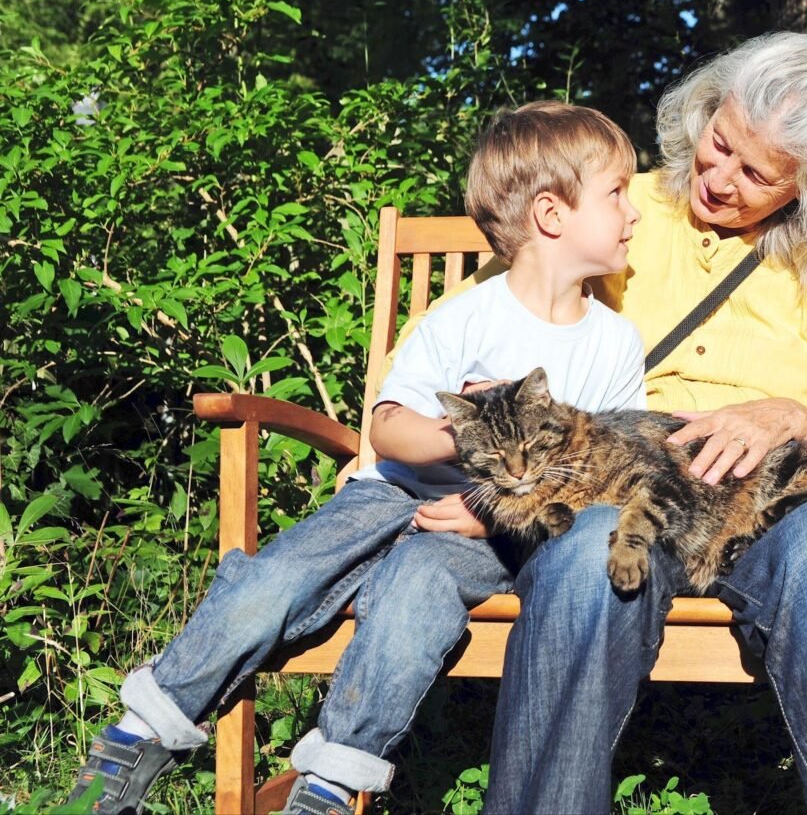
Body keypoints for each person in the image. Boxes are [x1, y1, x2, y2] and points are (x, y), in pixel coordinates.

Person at [391, 32, 807, 813]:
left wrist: (798, 419)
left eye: (755, 174)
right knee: (583, 555)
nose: (718, 176)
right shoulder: (617, 205)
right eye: (720, 142)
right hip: (621, 484)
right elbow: (468, 327)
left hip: (770, 503)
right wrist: (475, 471)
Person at [65, 101, 646, 815]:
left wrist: (490, 511)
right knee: (275, 580)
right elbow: (388, 430)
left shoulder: (613, 344)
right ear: (551, 214)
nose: (634, 213)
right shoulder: (464, 317)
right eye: (617, 194)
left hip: (486, 529)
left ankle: (331, 783)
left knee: (414, 594)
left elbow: (607, 477)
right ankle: (138, 734)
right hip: (386, 494)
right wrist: (462, 433)